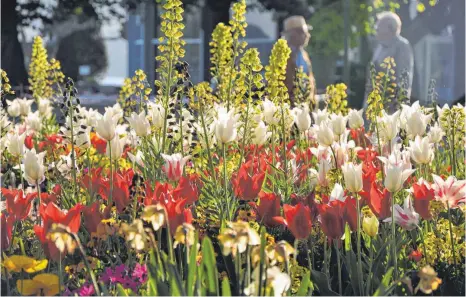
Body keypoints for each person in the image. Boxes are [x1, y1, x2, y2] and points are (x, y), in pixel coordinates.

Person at [363, 11, 414, 111]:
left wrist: (399, 105)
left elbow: (404, 78)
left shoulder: (402, 46)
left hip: (391, 106)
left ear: (390, 29)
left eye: (379, 27)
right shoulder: (379, 46)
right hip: (373, 103)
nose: (376, 29)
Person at [282, 15, 316, 108]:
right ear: (291, 34)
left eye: (306, 31)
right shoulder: (282, 55)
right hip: (289, 107)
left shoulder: (304, 54)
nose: (306, 35)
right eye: (301, 32)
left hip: (305, 106)